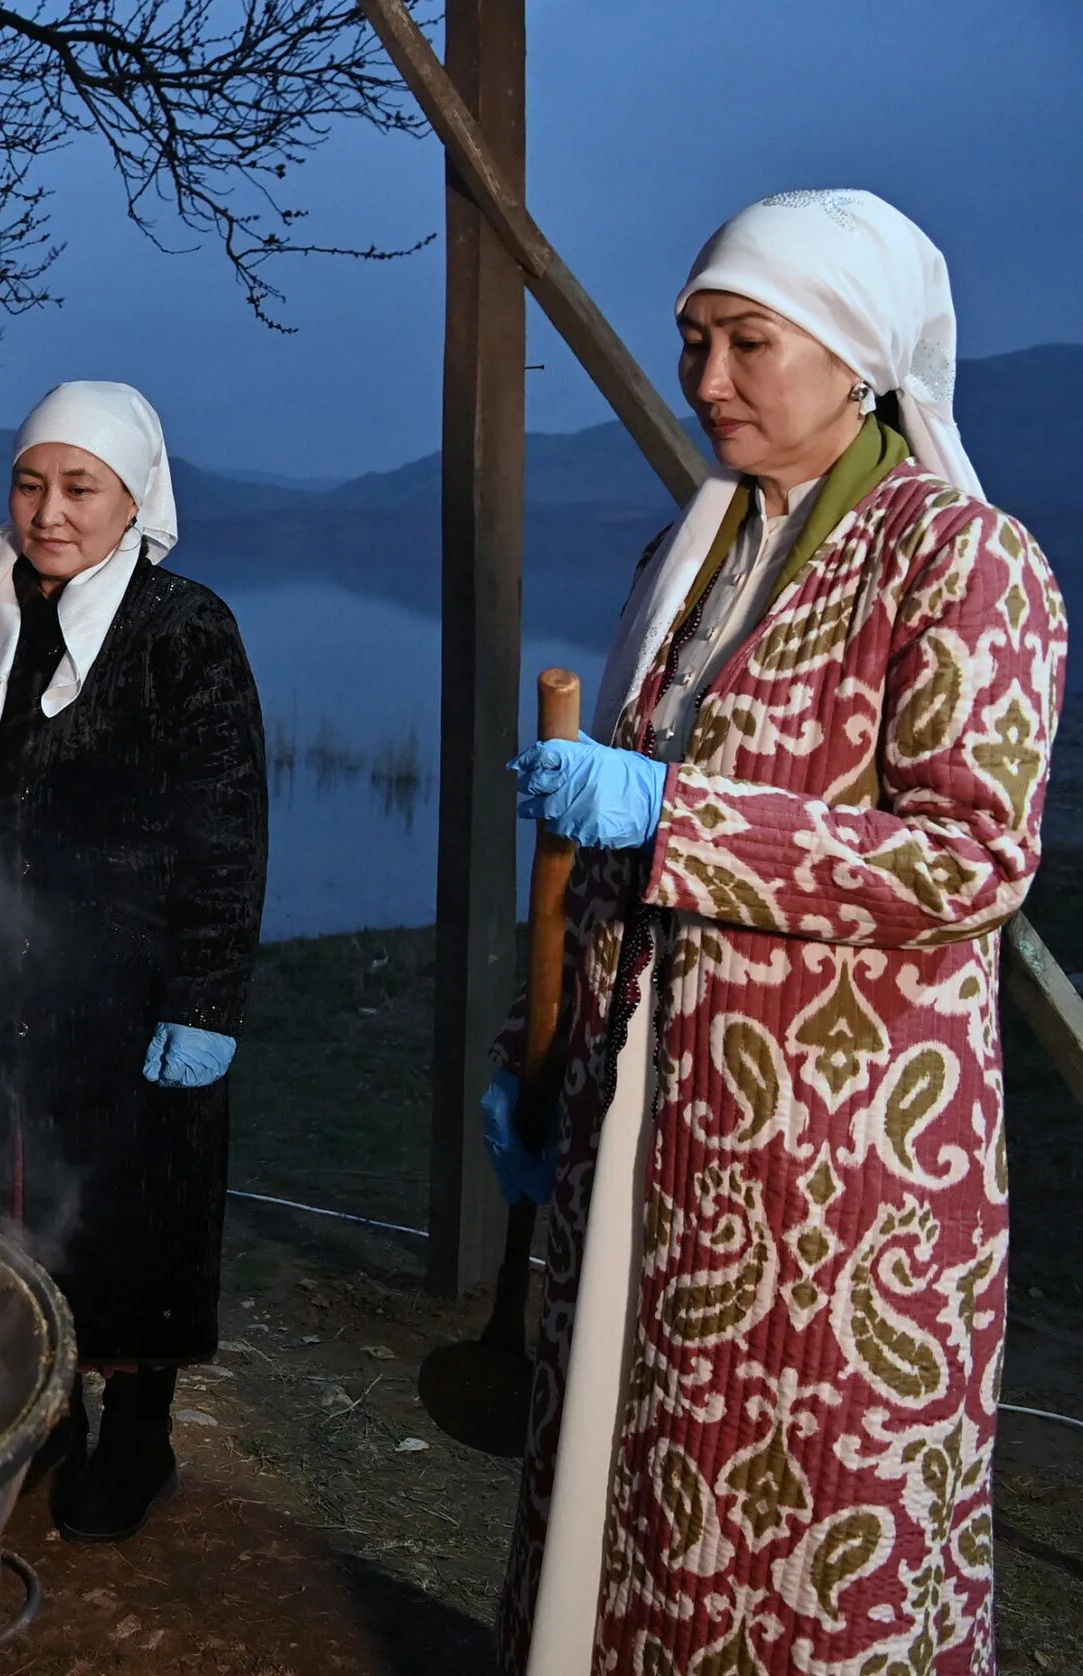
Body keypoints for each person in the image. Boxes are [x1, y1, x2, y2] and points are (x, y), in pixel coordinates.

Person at [487, 191, 1065, 1675]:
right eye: (695, 342)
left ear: (857, 353)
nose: (708, 381)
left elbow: (970, 862)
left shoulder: (960, 561)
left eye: (749, 343)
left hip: (839, 1168)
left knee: (804, 1516)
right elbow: (596, 859)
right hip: (655, 1122)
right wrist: (537, 1056)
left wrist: (675, 814)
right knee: (640, 1494)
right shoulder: (693, 560)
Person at [0, 381, 268, 1544]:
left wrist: (204, 997)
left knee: (126, 1216)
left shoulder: (184, 631)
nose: (48, 512)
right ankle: (34, 1417)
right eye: (30, 483)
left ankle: (137, 1428)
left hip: (123, 988)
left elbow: (226, 823)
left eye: (78, 487)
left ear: (134, 499)